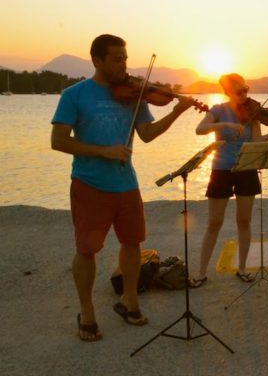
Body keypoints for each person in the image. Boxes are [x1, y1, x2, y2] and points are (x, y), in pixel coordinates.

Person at [50, 34, 195, 342]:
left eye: (125, 59)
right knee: (86, 250)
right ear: (97, 60)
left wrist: (176, 112)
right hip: (89, 184)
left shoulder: (135, 94)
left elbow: (147, 134)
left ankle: (129, 299)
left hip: (126, 183)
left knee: (132, 243)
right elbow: (58, 140)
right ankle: (87, 311)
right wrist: (104, 151)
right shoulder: (75, 95)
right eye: (116, 59)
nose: (123, 66)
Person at [188, 73, 268, 287]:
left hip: (247, 168)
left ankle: (243, 268)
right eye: (239, 91)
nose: (245, 94)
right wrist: (223, 124)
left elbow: (257, 140)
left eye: (246, 89)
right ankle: (201, 272)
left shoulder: (252, 113)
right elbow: (200, 129)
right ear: (227, 91)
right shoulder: (218, 110)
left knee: (243, 221)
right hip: (221, 169)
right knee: (214, 223)